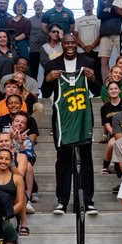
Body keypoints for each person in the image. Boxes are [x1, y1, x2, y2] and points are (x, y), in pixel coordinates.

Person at [42, 33, 100, 216]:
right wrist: (48, 80)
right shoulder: (52, 65)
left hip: (83, 118)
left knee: (86, 161)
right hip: (62, 120)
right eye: (66, 43)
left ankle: (87, 201)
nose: (70, 45)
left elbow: (98, 90)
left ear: (77, 44)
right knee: (63, 162)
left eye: (73, 43)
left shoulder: (88, 62)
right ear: (61, 44)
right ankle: (62, 201)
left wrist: (92, 79)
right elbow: (44, 93)